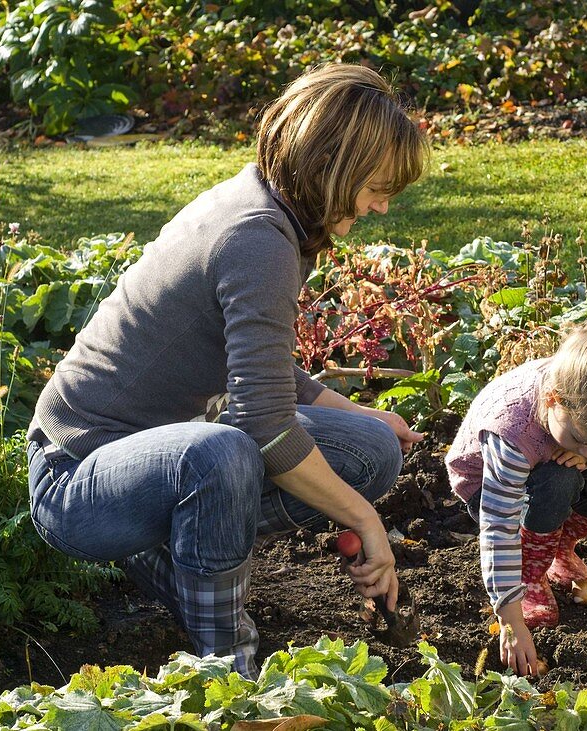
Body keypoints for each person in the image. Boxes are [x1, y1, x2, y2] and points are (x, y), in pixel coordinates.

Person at [26, 63, 428, 678]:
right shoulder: (257, 237)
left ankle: (182, 565)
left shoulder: (266, 204)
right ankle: (227, 667)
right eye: (377, 186)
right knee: (225, 454)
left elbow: (263, 374)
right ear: (331, 166)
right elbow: (263, 424)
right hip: (78, 478)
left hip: (151, 458)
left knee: (370, 448)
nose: (381, 206)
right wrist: (364, 519)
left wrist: (361, 413)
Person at [446, 313, 587, 676]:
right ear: (553, 399)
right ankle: (530, 571)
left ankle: (557, 545)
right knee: (559, 481)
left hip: (546, 459)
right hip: (489, 488)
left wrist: (580, 449)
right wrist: (510, 620)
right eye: (582, 442)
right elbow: (498, 527)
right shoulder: (511, 433)